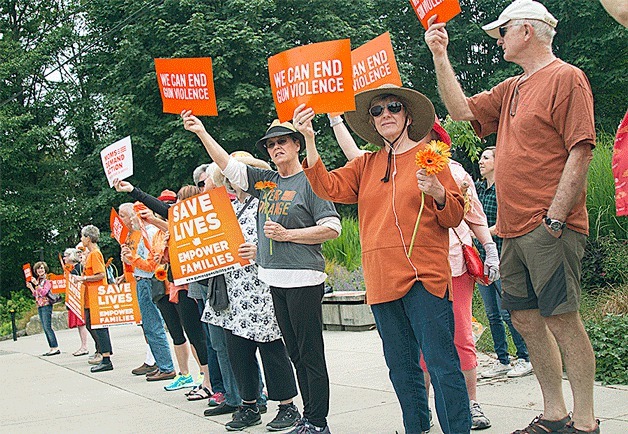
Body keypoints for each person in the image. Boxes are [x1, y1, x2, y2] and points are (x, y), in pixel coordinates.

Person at [425, 1, 598, 432]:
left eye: (502, 32)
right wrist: (440, 55)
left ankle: (586, 421)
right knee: (524, 319)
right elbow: (462, 110)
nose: (499, 39)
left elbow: (580, 149)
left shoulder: (567, 78)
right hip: (513, 228)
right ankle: (555, 413)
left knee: (562, 318)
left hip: (548, 225)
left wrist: (556, 217)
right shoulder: (513, 87)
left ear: (526, 31)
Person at [300, 85, 468, 434]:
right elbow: (327, 187)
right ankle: (417, 428)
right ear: (372, 123)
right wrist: (309, 139)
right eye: (377, 111)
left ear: (407, 116)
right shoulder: (365, 164)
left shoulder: (431, 158)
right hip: (381, 281)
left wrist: (437, 191)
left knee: (441, 363)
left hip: (425, 278)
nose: (385, 114)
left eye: (393, 107)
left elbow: (453, 216)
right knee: (401, 368)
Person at [182, 110, 341, 434]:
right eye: (270, 145)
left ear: (296, 145)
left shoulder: (310, 180)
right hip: (274, 279)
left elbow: (332, 227)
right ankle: (308, 418)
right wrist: (201, 131)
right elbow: (227, 166)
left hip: (304, 278)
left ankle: (317, 421)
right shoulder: (267, 183)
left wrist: (288, 235)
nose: (276, 148)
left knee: (310, 355)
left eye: (282, 141)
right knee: (294, 352)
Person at [202, 151, 301, 432]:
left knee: (271, 349)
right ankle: (249, 404)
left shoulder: (269, 202)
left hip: (262, 291)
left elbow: (285, 239)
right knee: (239, 351)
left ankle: (287, 405)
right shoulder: (228, 210)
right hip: (234, 293)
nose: (234, 182)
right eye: (229, 178)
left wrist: (259, 252)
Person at [475, 147, 532, 379]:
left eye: (486, 158)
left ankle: (525, 357)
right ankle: (502, 360)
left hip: (503, 257)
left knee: (507, 311)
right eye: (480, 158)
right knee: (492, 314)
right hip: (481, 260)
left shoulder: (504, 191)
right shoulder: (481, 191)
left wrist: (481, 235)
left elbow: (505, 222)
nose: (481, 162)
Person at [118, 203, 176, 382]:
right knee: (150, 325)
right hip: (143, 281)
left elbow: (151, 265)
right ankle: (161, 363)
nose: (123, 220)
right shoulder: (141, 234)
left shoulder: (149, 233)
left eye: (124, 216)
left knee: (153, 325)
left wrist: (131, 258)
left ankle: (166, 366)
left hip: (148, 281)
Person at [77, 225, 114, 372]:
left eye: (82, 236)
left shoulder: (95, 254)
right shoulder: (91, 254)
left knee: (99, 327)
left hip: (96, 295)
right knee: (94, 325)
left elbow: (101, 274)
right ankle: (103, 355)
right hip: (91, 296)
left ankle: (106, 357)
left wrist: (83, 278)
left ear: (88, 238)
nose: (81, 239)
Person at [26, 261, 60, 356]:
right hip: (40, 305)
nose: (40, 270)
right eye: (38, 268)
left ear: (45, 269)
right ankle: (52, 347)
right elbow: (36, 294)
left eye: (42, 268)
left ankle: (55, 347)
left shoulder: (47, 280)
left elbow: (44, 292)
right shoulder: (39, 280)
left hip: (46, 305)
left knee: (47, 327)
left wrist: (36, 284)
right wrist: (31, 287)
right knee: (45, 328)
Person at [62, 248, 90, 357]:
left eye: (66, 256)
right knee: (80, 325)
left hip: (80, 299)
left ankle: (84, 346)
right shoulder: (71, 269)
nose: (64, 258)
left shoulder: (78, 268)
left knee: (82, 324)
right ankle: (83, 345)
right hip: (75, 298)